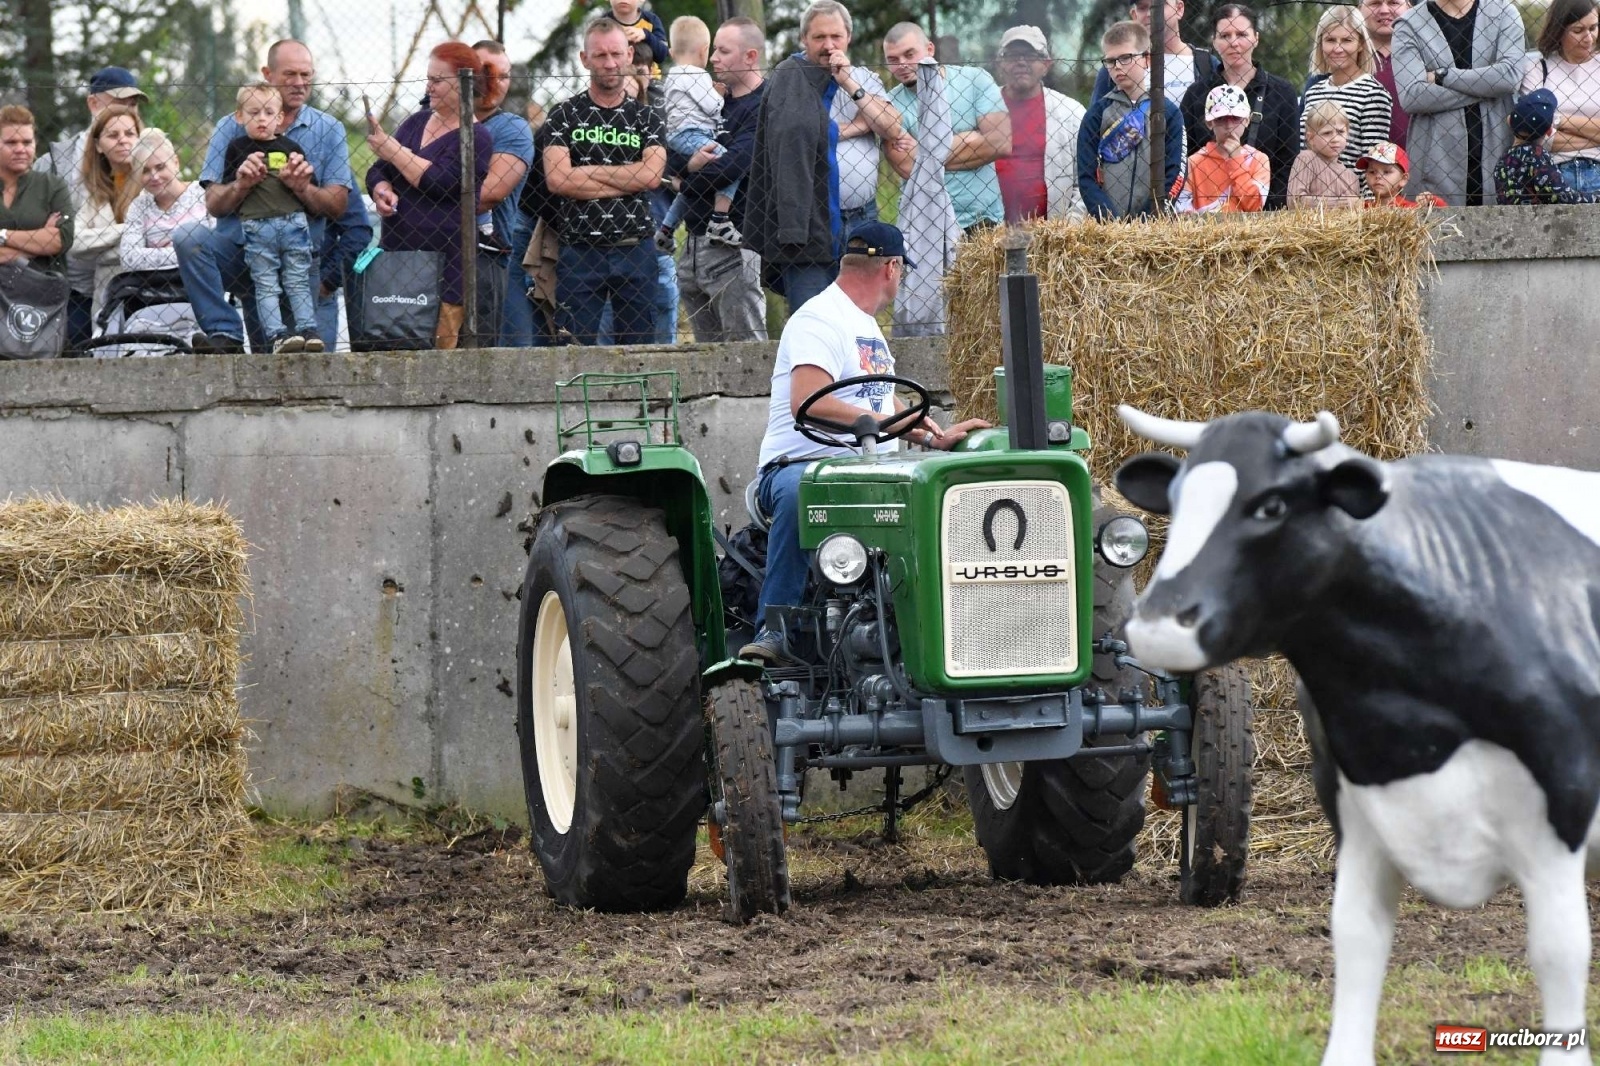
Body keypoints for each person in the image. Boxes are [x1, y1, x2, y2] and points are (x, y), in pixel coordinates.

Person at [738, 221, 988, 665]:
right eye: (901, 270)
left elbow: (882, 403)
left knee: (937, 494)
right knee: (800, 493)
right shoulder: (817, 319)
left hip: (870, 467)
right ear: (892, 268)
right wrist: (874, 422)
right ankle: (774, 628)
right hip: (803, 464)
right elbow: (808, 400)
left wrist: (933, 436)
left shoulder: (867, 328)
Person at [178, 40, 354, 353]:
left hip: (297, 255)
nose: (299, 83)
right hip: (241, 251)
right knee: (188, 238)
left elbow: (338, 206)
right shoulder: (229, 127)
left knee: (296, 357)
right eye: (290, 74)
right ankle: (225, 333)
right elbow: (214, 204)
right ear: (267, 74)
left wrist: (302, 187)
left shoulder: (329, 129)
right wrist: (241, 185)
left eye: (306, 75)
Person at [744, 0, 903, 313]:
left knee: (858, 315)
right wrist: (857, 126)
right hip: (808, 222)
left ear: (848, 38)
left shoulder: (863, 78)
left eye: (836, 37)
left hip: (861, 218)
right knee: (812, 314)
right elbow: (789, 134)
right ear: (804, 39)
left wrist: (848, 82)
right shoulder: (789, 79)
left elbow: (891, 127)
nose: (829, 45)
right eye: (819, 37)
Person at [541, 18, 665, 345]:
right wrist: (629, 177)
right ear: (585, 59)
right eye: (600, 55)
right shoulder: (563, 114)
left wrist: (584, 173)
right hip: (579, 250)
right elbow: (557, 180)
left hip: (636, 248)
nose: (609, 63)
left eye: (616, 54)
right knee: (572, 350)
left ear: (629, 55)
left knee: (638, 353)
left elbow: (651, 176)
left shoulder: (647, 117)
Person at [365, 42, 493, 350]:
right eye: (428, 79)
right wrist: (382, 189)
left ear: (463, 83)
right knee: (391, 347)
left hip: (447, 268)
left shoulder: (476, 137)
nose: (429, 87)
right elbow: (378, 170)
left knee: (436, 352)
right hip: (399, 260)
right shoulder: (415, 122)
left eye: (437, 80)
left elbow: (441, 181)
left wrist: (393, 150)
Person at [34, 66, 146, 351]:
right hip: (72, 287)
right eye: (119, 101)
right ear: (93, 103)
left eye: (132, 104)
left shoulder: (149, 157)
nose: (126, 109)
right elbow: (68, 237)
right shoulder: (56, 162)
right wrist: (131, 230)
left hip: (137, 280)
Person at [676, 16, 768, 343]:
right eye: (713, 49)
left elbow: (733, 166)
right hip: (692, 242)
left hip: (734, 243)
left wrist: (684, 183)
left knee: (746, 350)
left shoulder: (764, 104)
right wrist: (689, 165)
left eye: (723, 51)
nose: (713, 58)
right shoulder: (711, 99)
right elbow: (670, 150)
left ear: (751, 56)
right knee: (706, 355)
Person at [1392, 0, 1526, 207]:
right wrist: (1488, 88)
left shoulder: (1504, 13)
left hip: (1497, 153)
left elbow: (1509, 77)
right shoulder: (1408, 25)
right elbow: (1413, 96)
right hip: (1435, 162)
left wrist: (1443, 76)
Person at [221, 84, 323, 353]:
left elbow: (311, 186)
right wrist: (242, 181)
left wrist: (299, 180)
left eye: (269, 113)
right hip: (256, 226)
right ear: (240, 116)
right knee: (265, 284)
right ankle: (277, 336)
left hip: (293, 224)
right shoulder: (236, 148)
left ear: (279, 118)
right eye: (254, 113)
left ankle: (308, 329)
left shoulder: (291, 147)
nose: (262, 119)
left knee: (297, 280)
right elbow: (228, 191)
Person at [883, 22, 1011, 236]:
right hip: (923, 224)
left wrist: (923, 153)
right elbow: (905, 166)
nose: (902, 64)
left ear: (929, 49)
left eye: (909, 54)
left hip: (983, 220)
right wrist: (969, 140)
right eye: (893, 60)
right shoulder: (889, 104)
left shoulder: (973, 80)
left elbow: (1001, 143)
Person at [1182, 4, 1301, 209]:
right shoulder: (1196, 94)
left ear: (1256, 38)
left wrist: (1268, 212)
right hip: (1205, 214)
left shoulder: (1282, 92)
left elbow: (1287, 162)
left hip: (1266, 212)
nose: (1234, 42)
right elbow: (1185, 156)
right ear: (1214, 41)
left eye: (1242, 34)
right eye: (1225, 36)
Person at [1077, 21, 1185, 219]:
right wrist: (1107, 218)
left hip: (1155, 224)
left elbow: (1176, 172)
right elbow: (1086, 176)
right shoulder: (1096, 114)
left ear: (1146, 59)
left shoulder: (1167, 112)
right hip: (1108, 227)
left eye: (1126, 58)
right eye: (1110, 61)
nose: (1117, 67)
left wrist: (1151, 216)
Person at [656, 16, 742, 253]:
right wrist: (719, 95)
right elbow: (711, 106)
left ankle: (666, 229)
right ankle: (720, 219)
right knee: (729, 162)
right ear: (704, 50)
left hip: (677, 135)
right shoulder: (696, 74)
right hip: (693, 133)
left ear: (671, 52)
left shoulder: (672, 74)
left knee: (692, 185)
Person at [472, 40, 535, 348]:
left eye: (505, 75)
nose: (496, 83)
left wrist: (425, 193)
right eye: (487, 74)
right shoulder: (426, 122)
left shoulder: (511, 127)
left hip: (489, 259)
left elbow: (487, 195)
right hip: (431, 256)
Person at [993, 25, 1088, 222]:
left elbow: (1086, 180)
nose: (1021, 62)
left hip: (1054, 230)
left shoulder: (1071, 112)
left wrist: (1069, 229)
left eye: (1030, 56)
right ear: (1000, 63)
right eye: (1013, 55)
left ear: (1046, 64)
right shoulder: (982, 109)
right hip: (992, 231)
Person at [72, 103, 143, 326]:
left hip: (151, 294)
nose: (123, 140)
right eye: (113, 135)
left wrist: (102, 249)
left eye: (130, 133)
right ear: (98, 146)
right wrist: (130, 230)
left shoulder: (153, 183)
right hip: (106, 299)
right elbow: (75, 242)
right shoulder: (95, 195)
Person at [1522, 0, 1600, 197]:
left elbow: (1541, 126)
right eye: (1578, 30)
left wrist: (1557, 120)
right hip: (1551, 173)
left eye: (1593, 28)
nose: (1588, 38)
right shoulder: (1538, 70)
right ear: (1558, 30)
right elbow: (1534, 135)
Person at [1301, 7, 1394, 170]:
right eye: (1330, 40)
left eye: (1347, 40)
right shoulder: (1313, 93)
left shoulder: (1373, 94)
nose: (1338, 48)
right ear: (1321, 44)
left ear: (1361, 44)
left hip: (1350, 186)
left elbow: (1373, 164)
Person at [1090, 0, 1213, 107]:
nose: (1150, 13)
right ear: (1134, 15)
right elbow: (1096, 120)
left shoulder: (1206, 64)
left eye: (1159, 5)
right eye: (1142, 8)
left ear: (1179, 8)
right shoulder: (1115, 67)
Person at [119, 129, 209, 272]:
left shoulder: (203, 192)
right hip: (157, 283)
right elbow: (129, 258)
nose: (154, 177)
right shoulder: (139, 206)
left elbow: (216, 248)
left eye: (160, 167)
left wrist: (151, 256)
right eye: (145, 171)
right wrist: (189, 252)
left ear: (176, 163)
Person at [0, 106, 74, 277]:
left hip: (43, 288)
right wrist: (36, 245)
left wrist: (3, 235)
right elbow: (47, 243)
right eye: (11, 142)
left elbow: (60, 240)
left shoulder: (52, 185)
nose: (20, 149)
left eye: (27, 142)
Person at [1174, 83, 1269, 212]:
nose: (1228, 126)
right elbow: (1182, 211)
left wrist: (1236, 161)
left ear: (1247, 121)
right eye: (1220, 119)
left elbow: (1254, 207)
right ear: (1209, 123)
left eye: (1235, 118)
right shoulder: (1193, 163)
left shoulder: (1258, 160)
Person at [1495, 88, 1600, 203]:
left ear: (1509, 121)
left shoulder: (1503, 159)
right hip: (1538, 214)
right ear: (1549, 131)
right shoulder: (1538, 157)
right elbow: (1562, 197)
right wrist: (1596, 197)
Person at [1288, 100, 1364, 207]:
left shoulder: (1351, 177)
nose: (1335, 139)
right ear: (1311, 138)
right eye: (1327, 133)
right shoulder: (1307, 159)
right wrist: (1338, 204)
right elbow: (1294, 201)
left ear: (1347, 133)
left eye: (1340, 132)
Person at [1359, 0, 1414, 146]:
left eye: (1393, 3)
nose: (1384, 10)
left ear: (1409, 7)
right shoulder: (1342, 57)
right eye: (1375, 3)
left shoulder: (1428, 55)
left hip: (1419, 156)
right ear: (1359, 9)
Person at [1358, 139, 1446, 205]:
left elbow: (1444, 211)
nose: (1378, 176)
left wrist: (1431, 201)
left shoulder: (1408, 209)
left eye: (1386, 172)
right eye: (1372, 172)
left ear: (1403, 179)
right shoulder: (1362, 208)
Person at [608, 0, 668, 75]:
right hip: (615, 76)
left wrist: (646, 35)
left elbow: (662, 55)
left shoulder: (651, 20)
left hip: (649, 77)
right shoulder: (604, 23)